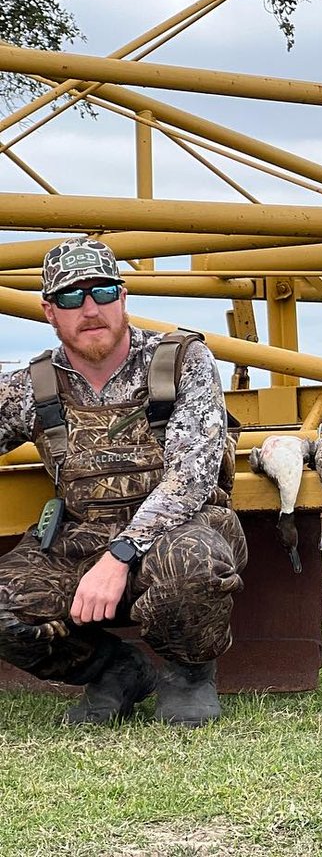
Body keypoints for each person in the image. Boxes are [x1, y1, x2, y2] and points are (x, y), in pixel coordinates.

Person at [0, 237, 246, 725]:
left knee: (189, 567)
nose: (90, 309)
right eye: (72, 297)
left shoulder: (182, 362)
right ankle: (115, 671)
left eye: (103, 292)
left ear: (123, 297)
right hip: (82, 532)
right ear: (50, 311)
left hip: (185, 525)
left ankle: (190, 673)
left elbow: (192, 476)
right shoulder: (34, 384)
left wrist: (121, 555)